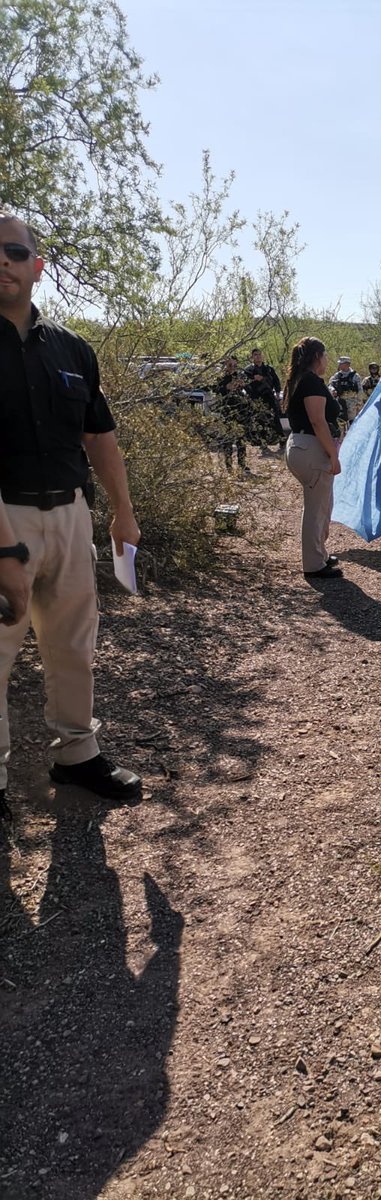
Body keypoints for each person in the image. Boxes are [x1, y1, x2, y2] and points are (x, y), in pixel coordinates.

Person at [0, 211, 142, 815]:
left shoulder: (72, 350)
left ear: (37, 266)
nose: (1, 262)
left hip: (70, 515)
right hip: (3, 517)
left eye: (12, 251)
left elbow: (100, 438)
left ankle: (77, 755)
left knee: (72, 645)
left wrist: (122, 513)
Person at [284, 337, 343, 580]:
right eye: (325, 354)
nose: (327, 360)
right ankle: (314, 564)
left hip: (301, 445)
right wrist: (332, 455)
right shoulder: (310, 382)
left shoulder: (300, 380)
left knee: (321, 505)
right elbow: (318, 421)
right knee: (317, 508)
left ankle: (319, 553)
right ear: (316, 356)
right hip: (312, 448)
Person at [214, 356, 251, 472]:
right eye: (230, 365)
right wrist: (226, 387)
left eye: (235, 365)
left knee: (241, 438)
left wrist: (243, 385)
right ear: (225, 365)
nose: (233, 368)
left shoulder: (240, 375)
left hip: (240, 409)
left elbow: (247, 389)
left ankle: (242, 463)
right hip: (227, 410)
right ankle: (228, 465)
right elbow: (217, 390)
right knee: (228, 438)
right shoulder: (221, 377)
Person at [244, 348, 283, 447]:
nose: (258, 356)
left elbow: (276, 381)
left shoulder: (269, 369)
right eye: (255, 355)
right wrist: (253, 378)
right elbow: (244, 383)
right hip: (256, 398)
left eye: (259, 354)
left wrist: (278, 392)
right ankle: (263, 442)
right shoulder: (248, 370)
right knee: (260, 420)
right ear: (252, 357)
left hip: (269, 396)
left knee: (275, 418)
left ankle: (281, 439)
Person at [329, 356, 364, 426]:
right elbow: (330, 385)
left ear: (347, 364)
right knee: (341, 423)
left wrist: (359, 403)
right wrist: (332, 390)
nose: (339, 365)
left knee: (353, 424)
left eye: (341, 363)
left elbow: (360, 390)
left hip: (352, 404)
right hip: (340, 403)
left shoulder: (355, 376)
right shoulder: (337, 375)